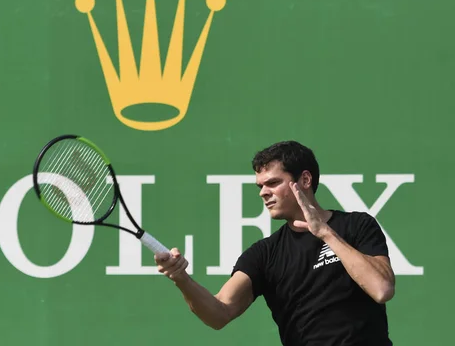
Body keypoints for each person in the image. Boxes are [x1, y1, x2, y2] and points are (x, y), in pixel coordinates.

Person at [154, 140, 395, 346]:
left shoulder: (357, 226)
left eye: (273, 183)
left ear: (305, 180)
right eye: (260, 186)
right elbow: (220, 313)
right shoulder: (264, 254)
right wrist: (181, 279)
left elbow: (382, 289)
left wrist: (325, 233)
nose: (263, 193)